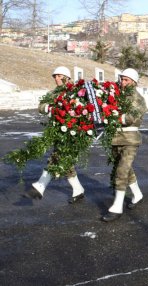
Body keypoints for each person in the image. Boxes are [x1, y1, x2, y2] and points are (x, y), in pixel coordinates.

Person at [24, 66, 86, 204]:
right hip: (57, 131)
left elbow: (84, 109)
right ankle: (78, 190)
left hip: (73, 133)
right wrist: (49, 108)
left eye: (59, 76)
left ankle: (40, 187)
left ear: (67, 77)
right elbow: (41, 106)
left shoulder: (76, 92)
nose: (56, 78)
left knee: (57, 158)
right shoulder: (53, 93)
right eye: (55, 76)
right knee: (65, 161)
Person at [102, 68, 147, 222]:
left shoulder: (137, 98)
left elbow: (129, 118)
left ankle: (117, 206)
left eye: (126, 80)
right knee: (126, 169)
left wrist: (111, 115)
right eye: (122, 79)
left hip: (130, 139)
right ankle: (138, 194)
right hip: (116, 138)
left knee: (121, 170)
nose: (122, 82)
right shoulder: (116, 95)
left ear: (133, 82)